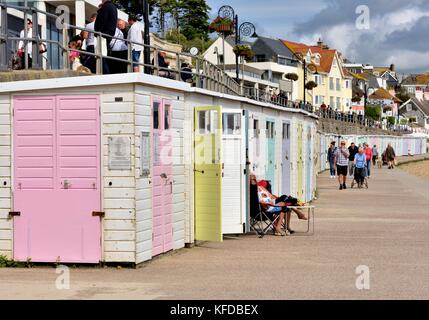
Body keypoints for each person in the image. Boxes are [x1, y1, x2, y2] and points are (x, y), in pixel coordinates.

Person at [94, 0, 118, 74]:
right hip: (109, 33)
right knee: (103, 54)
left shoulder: (106, 7)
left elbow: (102, 20)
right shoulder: (113, 7)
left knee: (101, 55)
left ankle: (105, 74)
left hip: (103, 34)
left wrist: (98, 32)